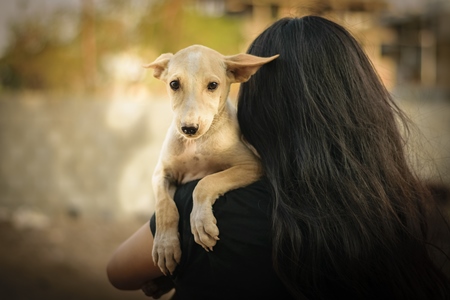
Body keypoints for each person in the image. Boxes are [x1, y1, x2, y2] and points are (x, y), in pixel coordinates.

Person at [107, 16, 450, 299]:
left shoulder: (211, 207)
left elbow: (119, 272)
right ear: (366, 102)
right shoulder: (405, 213)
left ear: (259, 104)